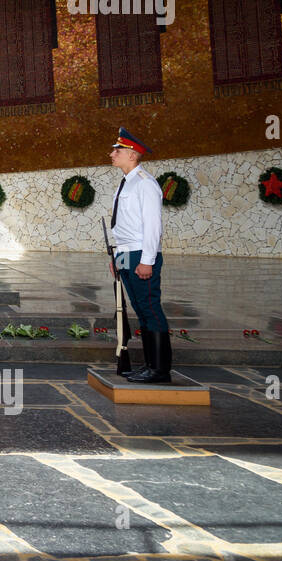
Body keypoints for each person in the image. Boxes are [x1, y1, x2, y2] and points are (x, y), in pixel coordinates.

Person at [108, 127, 170, 383]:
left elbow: (152, 225)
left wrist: (147, 260)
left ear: (132, 155)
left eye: (117, 150)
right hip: (126, 252)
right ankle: (148, 365)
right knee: (139, 309)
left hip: (140, 254)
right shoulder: (127, 183)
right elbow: (123, 226)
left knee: (150, 309)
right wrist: (117, 258)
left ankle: (159, 369)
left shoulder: (145, 183)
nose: (112, 154)